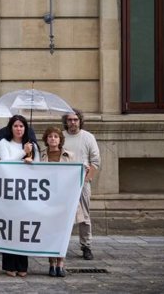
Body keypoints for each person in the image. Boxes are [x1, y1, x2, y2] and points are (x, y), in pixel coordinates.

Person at [0, 114, 39, 277]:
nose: (19, 129)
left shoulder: (32, 145)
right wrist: (23, 152)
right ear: (10, 128)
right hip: (9, 191)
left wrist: (31, 161)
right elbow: (6, 163)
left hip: (26, 192)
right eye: (16, 126)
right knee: (9, 227)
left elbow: (40, 168)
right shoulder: (4, 143)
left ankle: (22, 265)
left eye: (21, 126)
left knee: (23, 228)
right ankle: (9, 265)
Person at [62, 109, 101, 261]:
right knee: (63, 214)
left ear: (80, 121)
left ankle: (86, 246)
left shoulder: (88, 137)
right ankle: (61, 244)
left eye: (75, 120)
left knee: (84, 215)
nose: (73, 122)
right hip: (64, 182)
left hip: (82, 182)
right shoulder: (60, 136)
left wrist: (87, 179)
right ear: (66, 121)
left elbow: (95, 161)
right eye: (70, 120)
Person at [39, 126, 76, 277]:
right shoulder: (41, 155)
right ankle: (51, 263)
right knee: (49, 231)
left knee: (63, 231)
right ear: (46, 139)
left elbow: (75, 175)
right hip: (47, 198)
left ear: (60, 139)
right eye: (50, 136)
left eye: (56, 136)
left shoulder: (70, 155)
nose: (53, 139)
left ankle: (61, 263)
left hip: (64, 199)